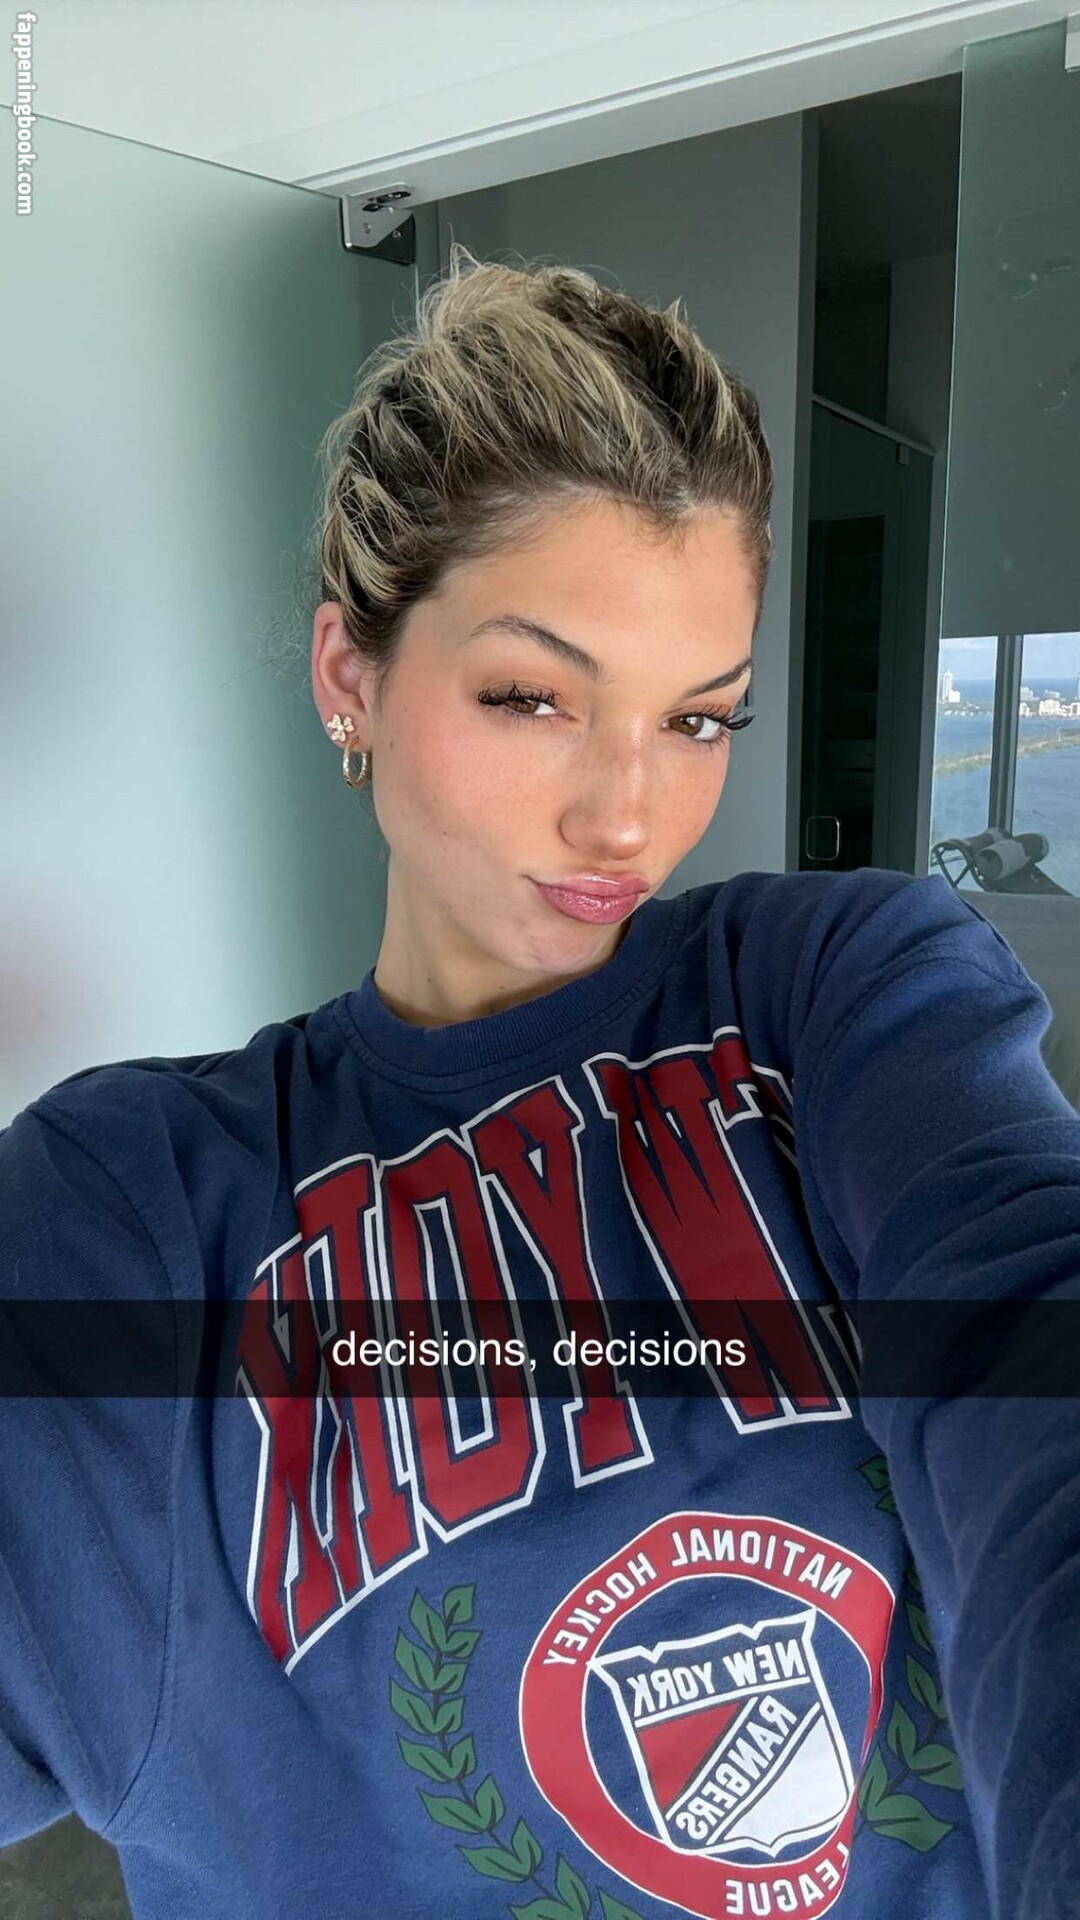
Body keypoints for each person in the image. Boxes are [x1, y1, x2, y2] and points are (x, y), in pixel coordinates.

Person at [1, 243, 1078, 1920]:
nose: (627, 815)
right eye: (531, 697)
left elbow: (1027, 1334)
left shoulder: (838, 992)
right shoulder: (130, 1197)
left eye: (699, 719)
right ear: (350, 676)